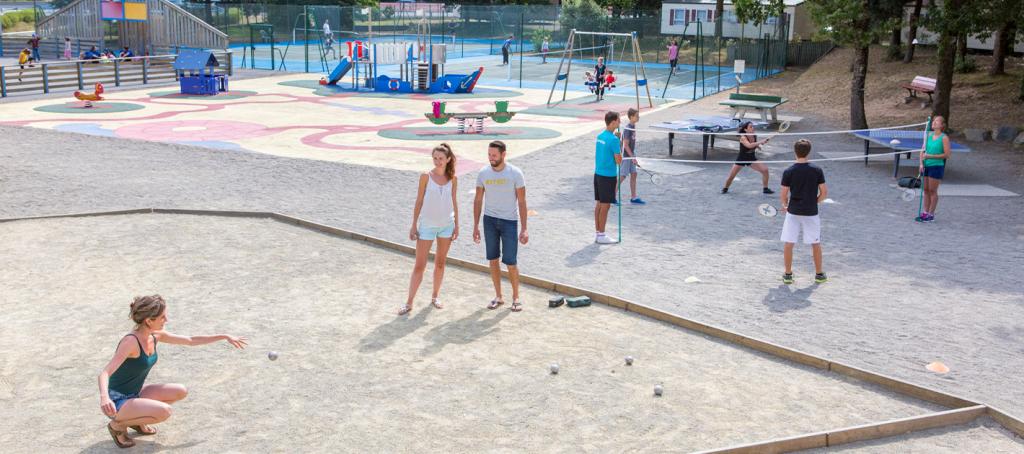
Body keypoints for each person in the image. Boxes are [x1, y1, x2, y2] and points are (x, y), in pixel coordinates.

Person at [98, 295, 247, 448]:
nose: (166, 320)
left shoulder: (155, 335)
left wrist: (224, 336)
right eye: (162, 317)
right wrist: (105, 398)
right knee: (164, 412)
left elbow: (190, 340)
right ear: (149, 321)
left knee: (180, 391)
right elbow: (105, 373)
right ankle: (117, 426)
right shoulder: (130, 342)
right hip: (115, 402)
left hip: (135, 395)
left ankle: (137, 421)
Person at [400, 143, 460, 315]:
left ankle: (435, 296)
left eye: (441, 158)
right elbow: (419, 201)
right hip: (426, 226)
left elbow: (454, 202)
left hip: (447, 226)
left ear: (448, 159)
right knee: (419, 265)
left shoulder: (453, 179)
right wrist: (413, 224)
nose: (437, 161)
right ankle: (409, 302)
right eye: (435, 158)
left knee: (440, 263)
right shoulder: (425, 177)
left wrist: (457, 225)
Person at [473, 140, 529, 312]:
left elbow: (522, 202)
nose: (491, 158)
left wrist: (524, 228)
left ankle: (516, 297)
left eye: (494, 155)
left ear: (504, 154)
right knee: (493, 260)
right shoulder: (483, 173)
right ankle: (498, 296)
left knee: (511, 262)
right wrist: (475, 226)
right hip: (489, 220)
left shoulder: (515, 173)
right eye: (489, 155)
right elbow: (478, 200)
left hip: (509, 222)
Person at [779, 139, 828, 285]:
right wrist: (815, 201)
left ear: (795, 151)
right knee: (815, 243)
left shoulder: (789, 171)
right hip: (811, 211)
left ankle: (788, 275)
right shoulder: (817, 170)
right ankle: (819, 274)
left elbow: (783, 194)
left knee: (789, 243)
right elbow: (824, 192)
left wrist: (785, 204)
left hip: (793, 211)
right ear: (809, 151)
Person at [721, 121, 775, 195]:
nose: (753, 128)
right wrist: (759, 142)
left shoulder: (754, 135)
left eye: (753, 126)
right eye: (750, 127)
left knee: (765, 170)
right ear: (745, 129)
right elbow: (749, 145)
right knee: (731, 176)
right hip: (742, 158)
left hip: (751, 158)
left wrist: (759, 145)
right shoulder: (743, 137)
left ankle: (765, 189)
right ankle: (725, 188)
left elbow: (754, 145)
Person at [594, 111, 623, 244]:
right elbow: (618, 160)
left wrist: (617, 141)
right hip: (608, 176)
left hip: (598, 174)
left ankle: (598, 232)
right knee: (605, 206)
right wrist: (619, 143)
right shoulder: (613, 140)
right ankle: (601, 235)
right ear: (613, 122)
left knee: (599, 204)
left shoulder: (600, 136)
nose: (620, 122)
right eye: (618, 120)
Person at [916, 116, 951, 222]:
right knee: (925, 190)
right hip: (926, 165)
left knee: (932, 190)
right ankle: (925, 212)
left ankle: (931, 214)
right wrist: (921, 163)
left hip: (936, 166)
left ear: (942, 125)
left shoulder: (944, 138)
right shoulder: (928, 135)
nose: (934, 123)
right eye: (934, 121)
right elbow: (922, 151)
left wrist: (931, 156)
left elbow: (947, 155)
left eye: (937, 121)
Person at [618, 108, 645, 205]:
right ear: (631, 117)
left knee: (634, 174)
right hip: (626, 156)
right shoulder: (628, 128)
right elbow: (625, 145)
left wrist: (633, 156)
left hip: (631, 154)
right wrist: (632, 157)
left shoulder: (633, 126)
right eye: (637, 116)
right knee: (622, 176)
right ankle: (611, 196)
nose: (638, 117)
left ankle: (633, 197)